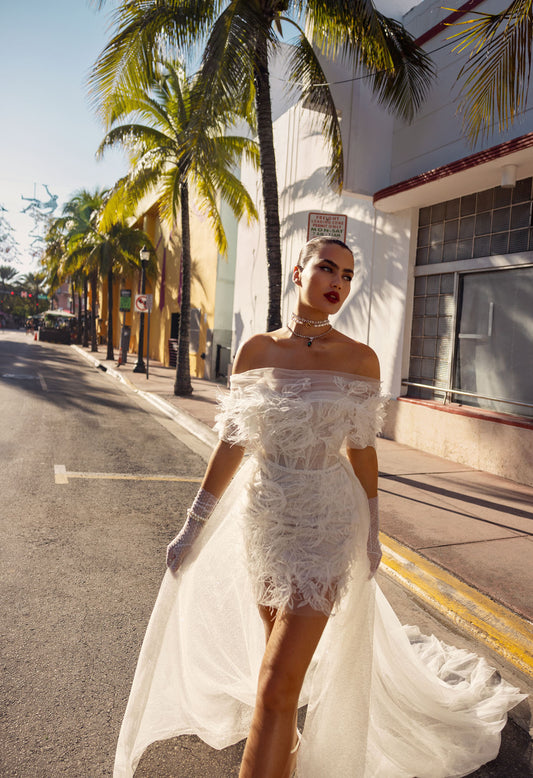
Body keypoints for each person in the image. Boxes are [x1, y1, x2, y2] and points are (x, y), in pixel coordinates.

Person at [114, 237, 524, 778]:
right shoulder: (257, 350)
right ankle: (283, 752)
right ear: (298, 274)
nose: (339, 282)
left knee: (276, 683)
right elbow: (235, 441)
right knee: (274, 670)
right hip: (265, 520)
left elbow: (362, 450)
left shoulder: (361, 359)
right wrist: (193, 525)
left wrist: (373, 531)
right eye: (327, 268)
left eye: (349, 275)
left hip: (329, 524)